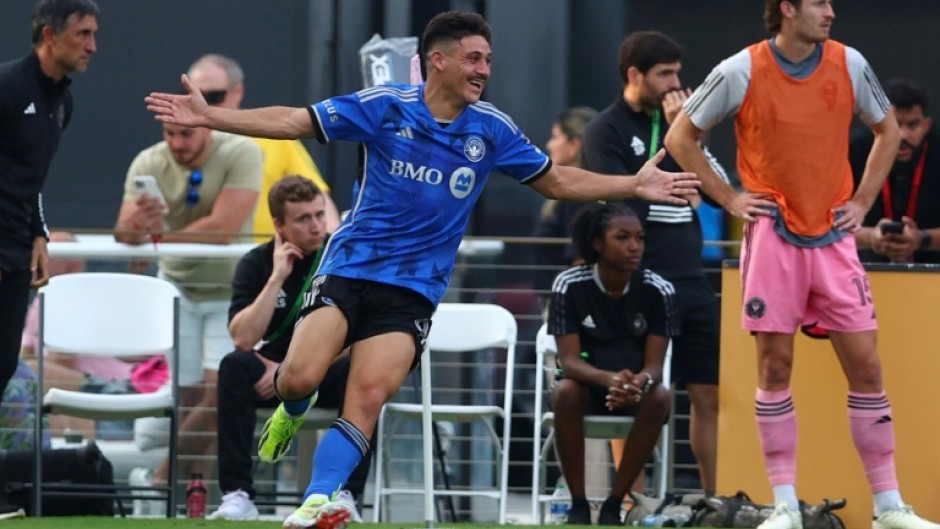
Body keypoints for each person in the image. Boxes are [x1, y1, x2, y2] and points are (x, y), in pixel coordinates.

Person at [145, 11, 698, 529]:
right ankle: (293, 408)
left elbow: (555, 180)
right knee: (299, 377)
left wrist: (631, 184)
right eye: (474, 58)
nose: (485, 69)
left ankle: (319, 500)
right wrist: (211, 115)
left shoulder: (492, 130)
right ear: (439, 60)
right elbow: (294, 120)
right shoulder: (386, 106)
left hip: (412, 289)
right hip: (350, 268)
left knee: (367, 396)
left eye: (487, 59)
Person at [665, 1, 940, 529]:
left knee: (867, 367)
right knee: (774, 368)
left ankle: (889, 508)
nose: (831, 12)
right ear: (787, 9)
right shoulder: (740, 69)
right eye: (818, 2)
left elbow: (888, 132)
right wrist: (729, 197)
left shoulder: (850, 63)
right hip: (773, 237)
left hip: (834, 239)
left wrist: (861, 202)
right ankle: (786, 506)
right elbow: (681, 136)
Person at [581, 30, 724, 494]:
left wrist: (689, 141)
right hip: (638, 282)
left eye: (678, 73)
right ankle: (631, 502)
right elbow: (617, 210)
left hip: (692, 279)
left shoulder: (684, 127)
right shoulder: (607, 130)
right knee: (631, 393)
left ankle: (714, 501)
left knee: (709, 394)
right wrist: (674, 188)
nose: (675, 84)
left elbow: (719, 195)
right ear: (634, 75)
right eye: (665, 74)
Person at [207, 176, 370, 521]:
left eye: (318, 215)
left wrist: (299, 369)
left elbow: (361, 333)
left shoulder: (342, 257)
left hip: (323, 371)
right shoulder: (257, 262)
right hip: (270, 375)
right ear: (279, 225)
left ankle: (346, 494)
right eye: (302, 219)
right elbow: (244, 338)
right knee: (234, 365)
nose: (315, 227)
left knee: (364, 370)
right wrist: (276, 278)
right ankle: (238, 495)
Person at [113, 119, 262, 488]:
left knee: (218, 398)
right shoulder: (148, 161)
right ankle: (192, 501)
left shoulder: (241, 151)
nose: (177, 143)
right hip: (176, 288)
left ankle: (157, 482)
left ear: (207, 129)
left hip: (231, 292)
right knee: (191, 399)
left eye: (186, 134)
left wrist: (158, 235)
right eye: (169, 134)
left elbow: (224, 227)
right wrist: (139, 221)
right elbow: (123, 232)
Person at [547, 203, 677, 525]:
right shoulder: (569, 285)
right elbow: (570, 362)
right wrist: (610, 380)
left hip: (633, 392)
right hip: (589, 390)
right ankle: (578, 504)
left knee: (661, 396)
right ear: (597, 243)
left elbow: (655, 366)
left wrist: (638, 383)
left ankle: (614, 503)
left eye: (639, 238)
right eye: (622, 237)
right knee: (564, 391)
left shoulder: (659, 290)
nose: (635, 246)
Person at [0, 0, 98, 402]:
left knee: (4, 365)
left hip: (17, 253)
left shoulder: (63, 102)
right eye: (83, 34)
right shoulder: (7, 86)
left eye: (94, 35)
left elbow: (31, 178)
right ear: (49, 36)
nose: (92, 46)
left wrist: (39, 233)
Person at [187, 54, 342, 236]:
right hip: (196, 257)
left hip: (267, 259)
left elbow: (316, 194)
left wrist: (331, 240)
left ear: (238, 92)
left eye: (214, 96)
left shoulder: (274, 139)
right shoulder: (182, 143)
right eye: (196, 96)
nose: (203, 105)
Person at [851, 78, 940, 264]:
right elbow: (824, 226)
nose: (902, 135)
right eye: (895, 125)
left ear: (927, 125)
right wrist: (872, 237)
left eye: (912, 125)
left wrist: (921, 239)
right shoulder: (857, 149)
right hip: (866, 266)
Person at [531, 106, 598, 295]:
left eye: (555, 137)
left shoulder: (578, 196)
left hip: (568, 302)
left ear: (575, 144)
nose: (548, 145)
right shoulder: (572, 195)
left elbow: (580, 260)